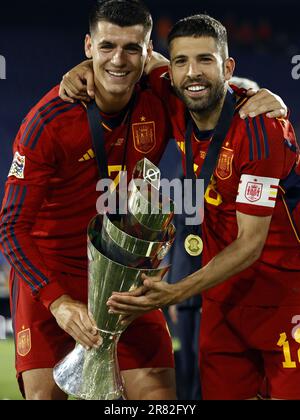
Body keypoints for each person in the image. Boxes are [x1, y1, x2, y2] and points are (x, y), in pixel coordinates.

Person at [104, 15, 300, 400]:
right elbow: (131, 58)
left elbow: (250, 244)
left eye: (206, 60)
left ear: (228, 68)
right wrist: (79, 70)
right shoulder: (174, 98)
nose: (193, 73)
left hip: (286, 300)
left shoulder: (260, 130)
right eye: (182, 62)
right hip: (222, 305)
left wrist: (174, 292)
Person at [0, 0, 177, 400]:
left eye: (133, 48)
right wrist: (58, 302)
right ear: (87, 46)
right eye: (107, 46)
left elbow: (206, 85)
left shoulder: (160, 100)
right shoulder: (47, 123)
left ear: (149, 53)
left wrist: (255, 96)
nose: (119, 59)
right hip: (53, 274)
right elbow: (11, 227)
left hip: (126, 278)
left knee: (161, 400)